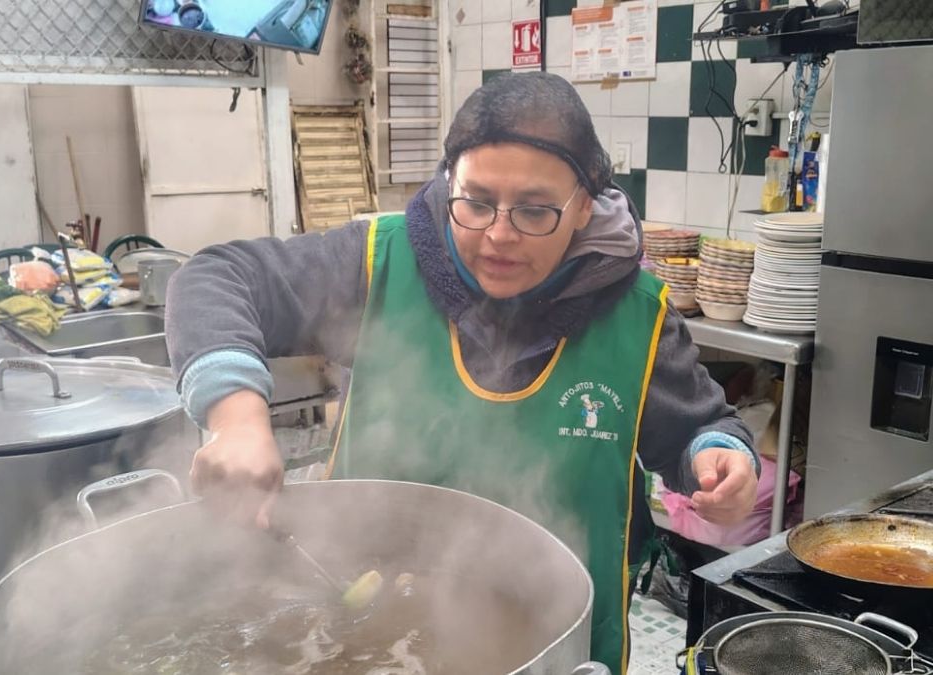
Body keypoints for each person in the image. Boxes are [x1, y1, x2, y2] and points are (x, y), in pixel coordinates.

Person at [165, 72, 759, 674]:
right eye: (475, 202)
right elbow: (217, 277)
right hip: (352, 625)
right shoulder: (377, 262)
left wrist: (719, 460)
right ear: (450, 182)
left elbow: (698, 431)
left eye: (534, 211)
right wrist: (237, 420)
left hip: (561, 645)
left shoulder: (640, 318)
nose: (498, 236)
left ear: (584, 205)